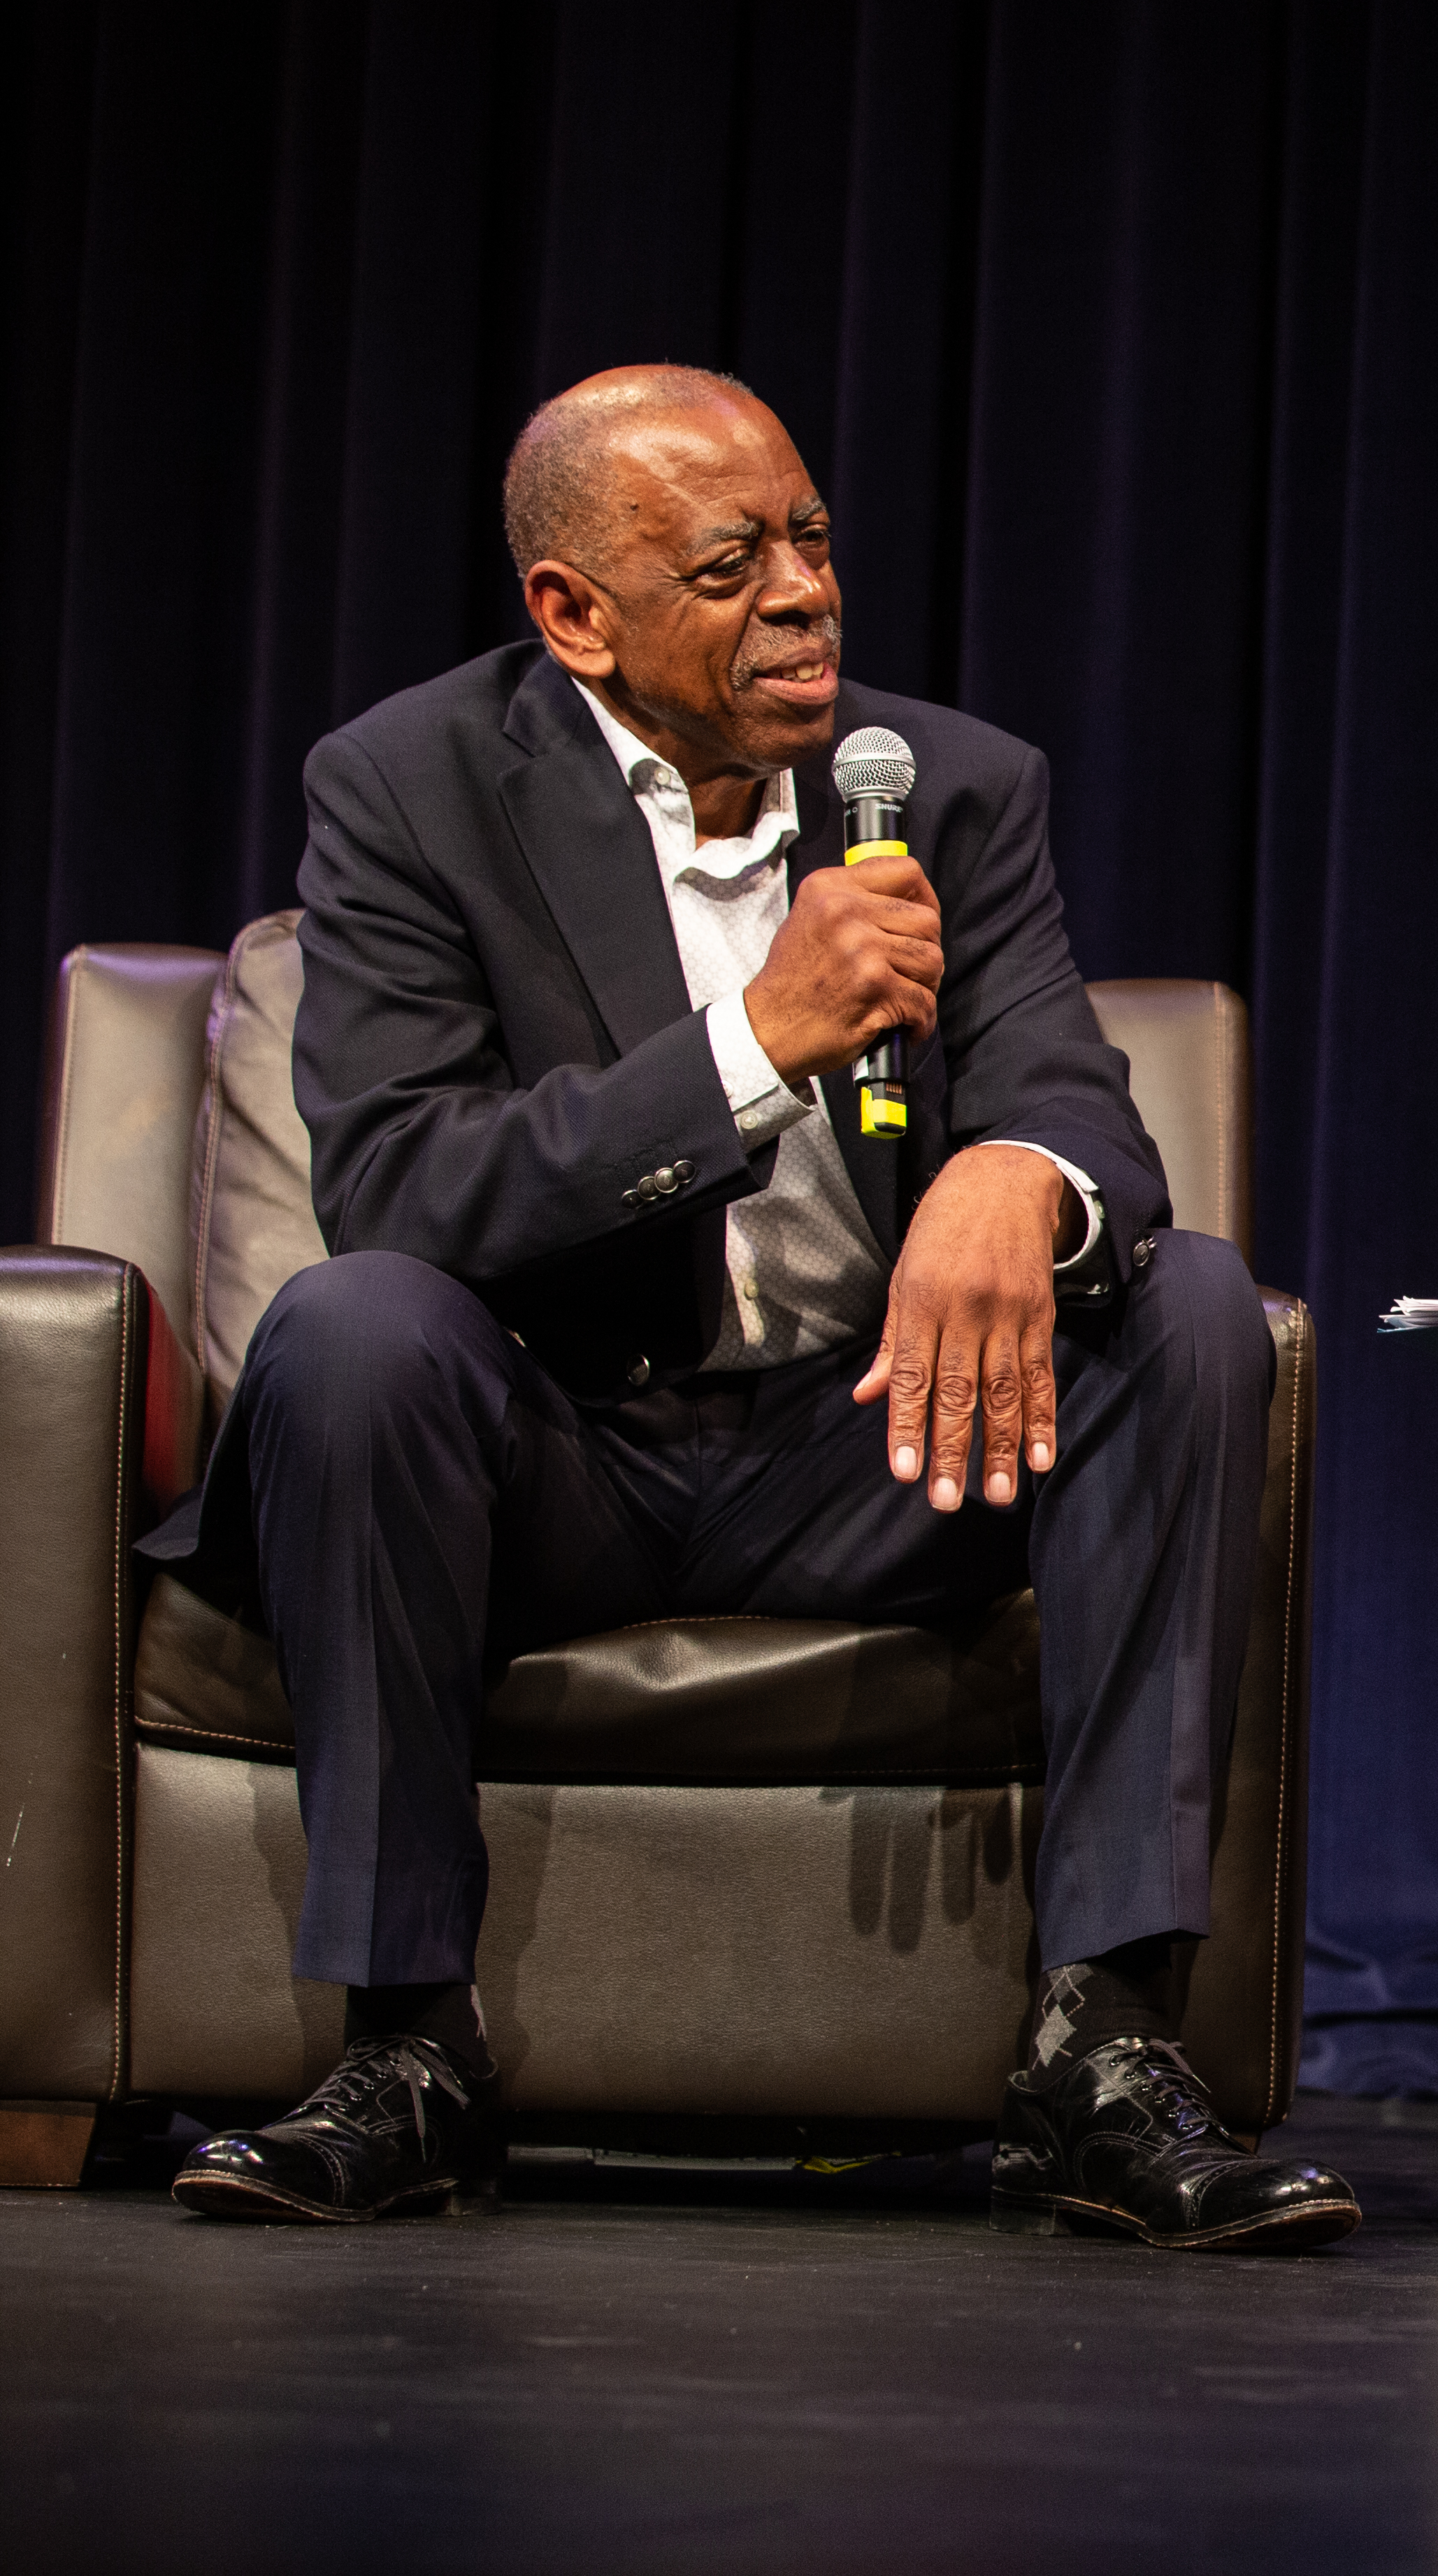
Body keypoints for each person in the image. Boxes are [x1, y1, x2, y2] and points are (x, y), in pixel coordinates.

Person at [147, 366, 1359, 2253]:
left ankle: (1108, 2046)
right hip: (551, 1460)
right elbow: (401, 1181)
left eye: (810, 537)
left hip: (876, 1442)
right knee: (354, 1326)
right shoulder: (409, 785)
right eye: (730, 565)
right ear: (575, 615)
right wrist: (755, 1041)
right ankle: (401, 2049)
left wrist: (1010, 1180)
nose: (804, 591)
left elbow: (1084, 1121)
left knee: (1186, 1305)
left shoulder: (949, 786)